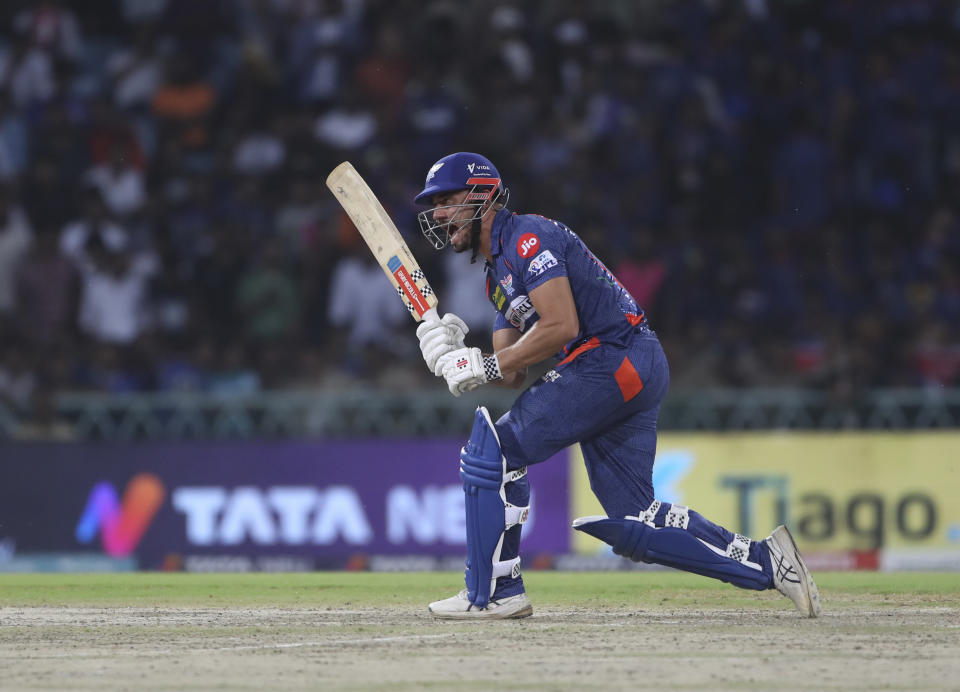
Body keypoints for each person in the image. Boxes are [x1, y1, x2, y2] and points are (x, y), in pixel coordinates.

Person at [413, 152, 822, 620]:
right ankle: (769, 563)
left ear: (483, 194)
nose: (439, 214)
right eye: (435, 205)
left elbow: (562, 325)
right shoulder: (498, 278)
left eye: (446, 200)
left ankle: (491, 593)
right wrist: (454, 355)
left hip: (612, 358)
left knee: (493, 452)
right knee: (636, 521)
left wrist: (483, 365)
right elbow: (511, 373)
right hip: (630, 364)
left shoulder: (528, 237)